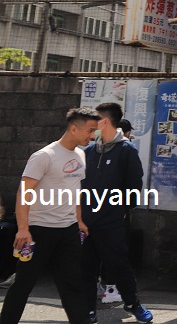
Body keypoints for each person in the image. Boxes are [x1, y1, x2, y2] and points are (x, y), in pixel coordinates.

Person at [0, 107, 97, 324]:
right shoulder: (44, 156)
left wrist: (79, 220)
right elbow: (24, 192)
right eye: (90, 131)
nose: (92, 136)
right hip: (39, 231)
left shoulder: (81, 154)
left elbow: (75, 191)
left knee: (72, 284)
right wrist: (23, 229)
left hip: (68, 230)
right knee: (24, 284)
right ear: (74, 128)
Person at [80, 102, 152, 323]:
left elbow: (133, 187)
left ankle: (132, 303)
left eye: (95, 119)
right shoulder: (89, 150)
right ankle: (88, 309)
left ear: (105, 121)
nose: (92, 124)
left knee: (119, 265)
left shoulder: (126, 150)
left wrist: (118, 210)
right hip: (86, 221)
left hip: (111, 222)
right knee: (86, 268)